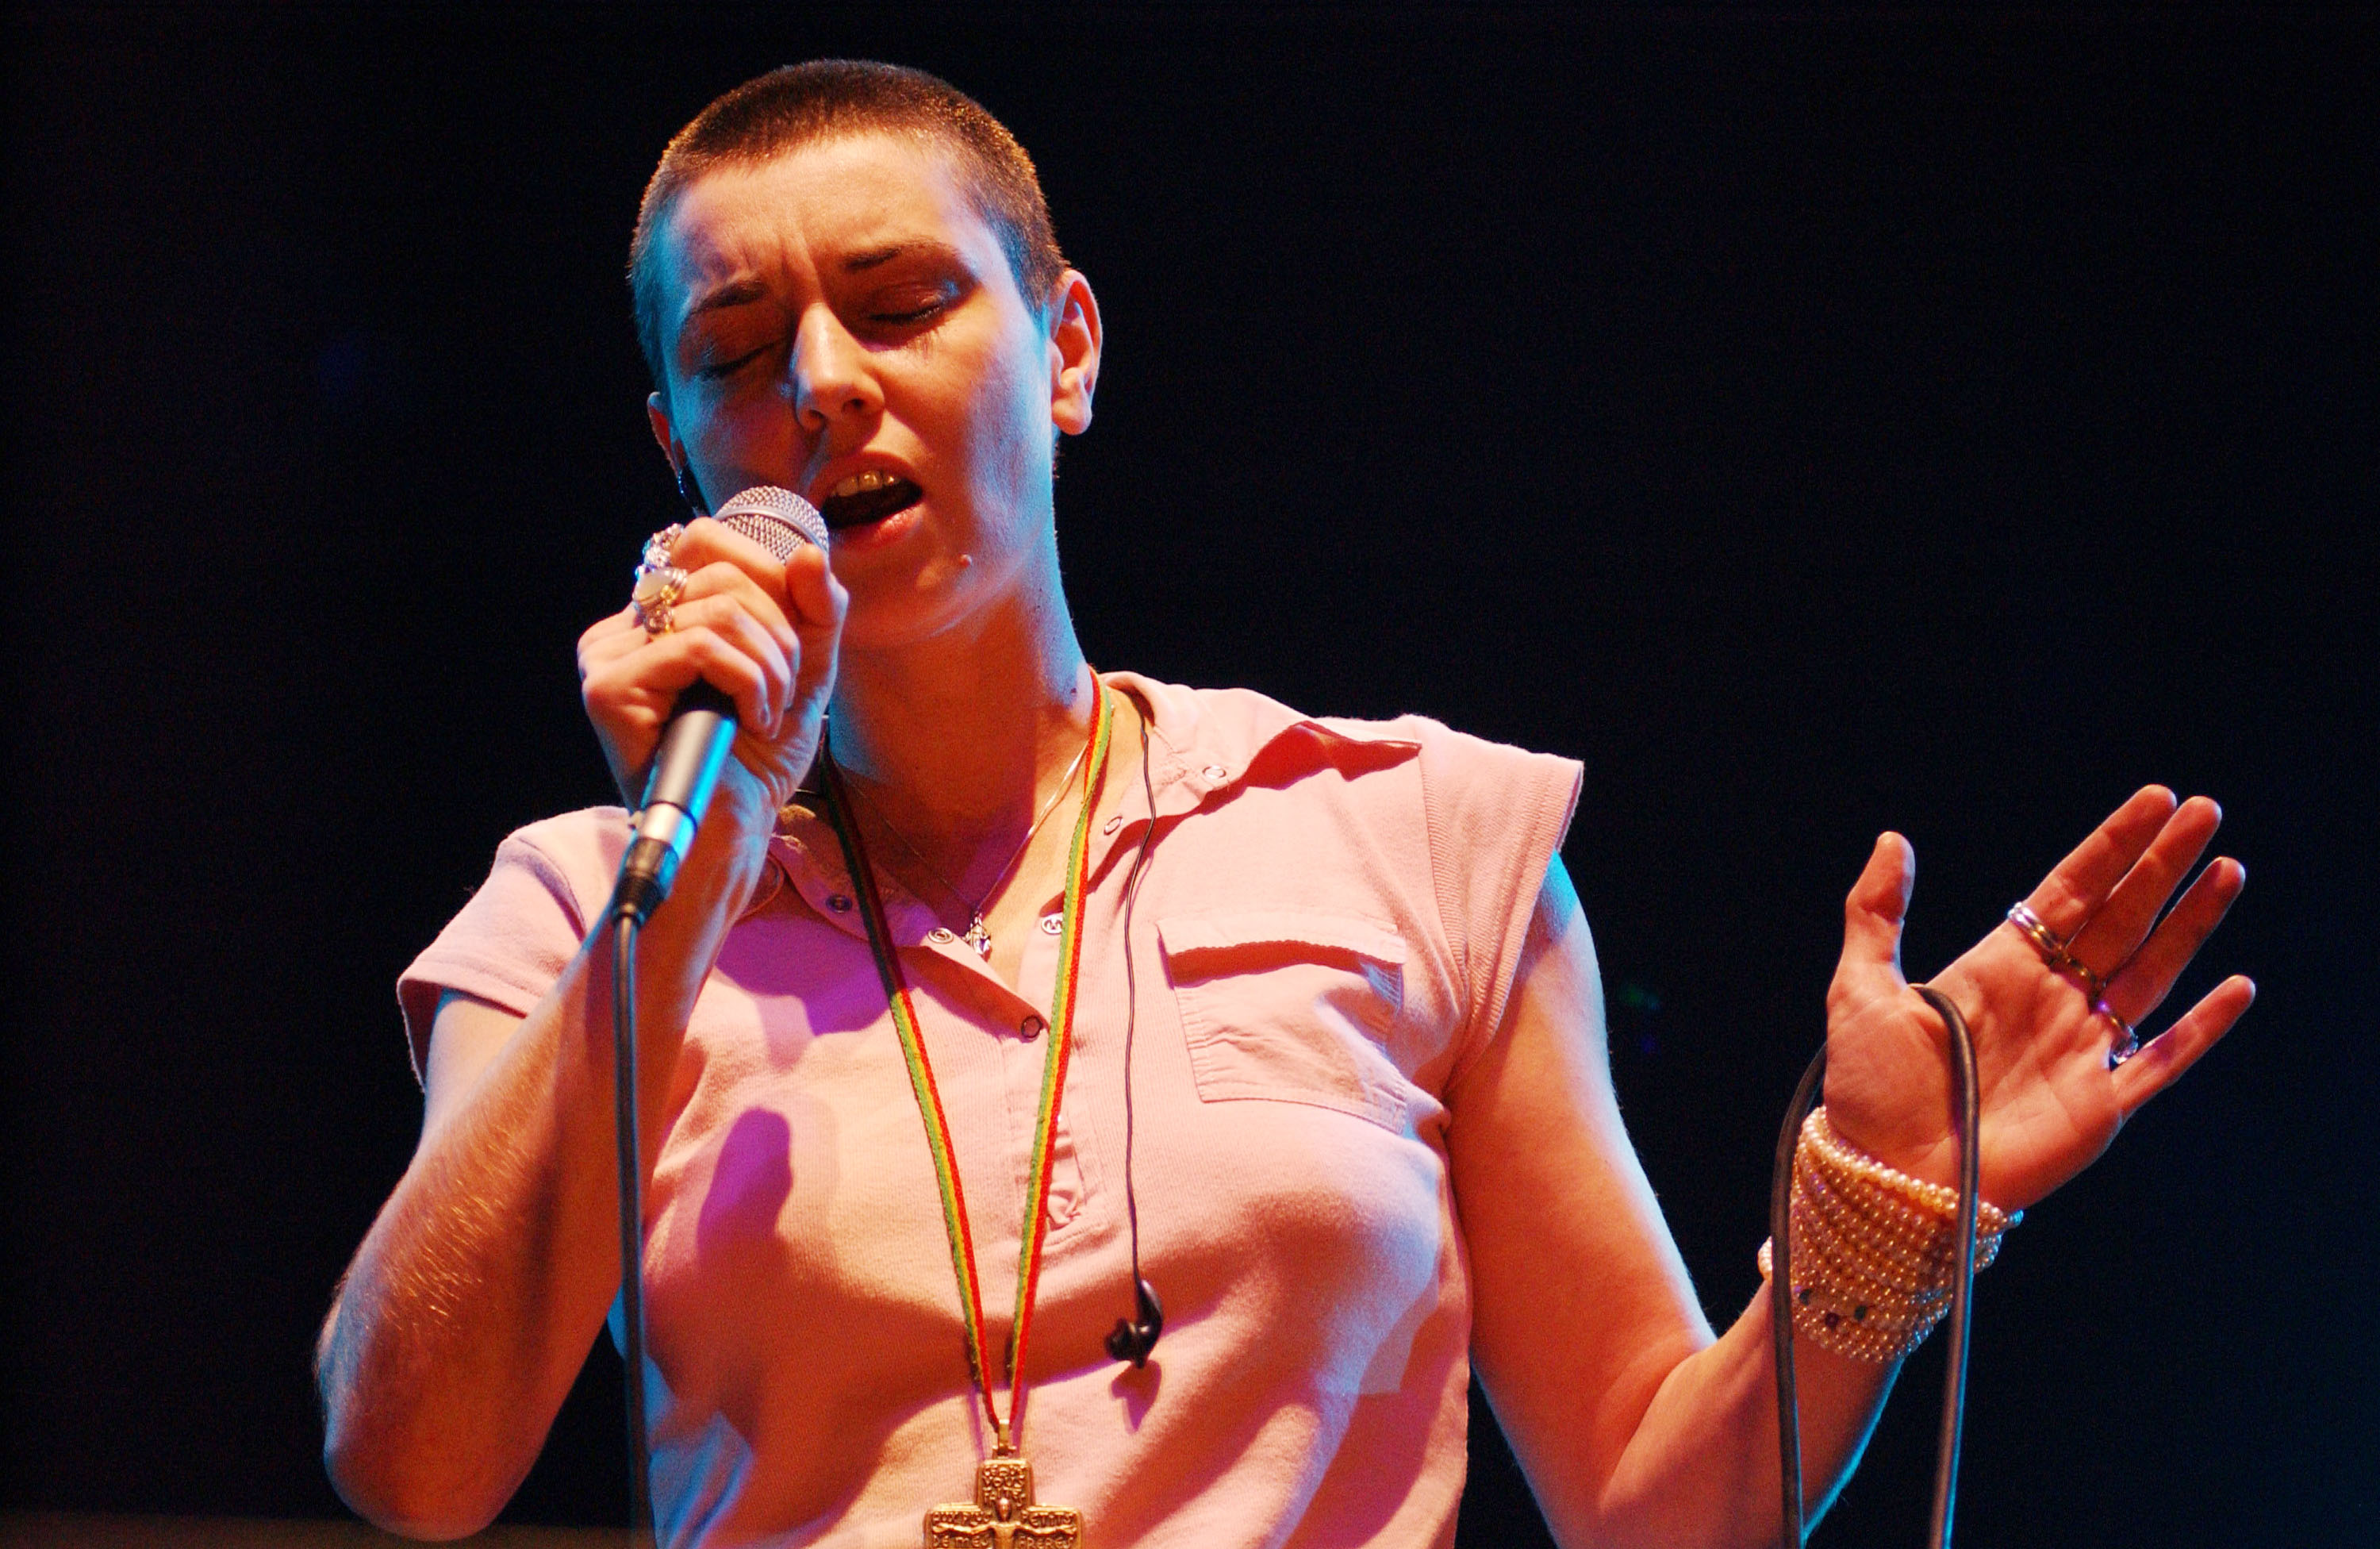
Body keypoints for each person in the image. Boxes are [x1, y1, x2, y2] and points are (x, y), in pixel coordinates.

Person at [316, 61, 2252, 1548]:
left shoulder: (1411, 832)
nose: (820, 387)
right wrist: (698, 873)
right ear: (675, 443)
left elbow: (1662, 1506)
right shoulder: (587, 905)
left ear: (1066, 348)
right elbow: (411, 1462)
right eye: (736, 356)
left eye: (901, 308)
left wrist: (1885, 1206)